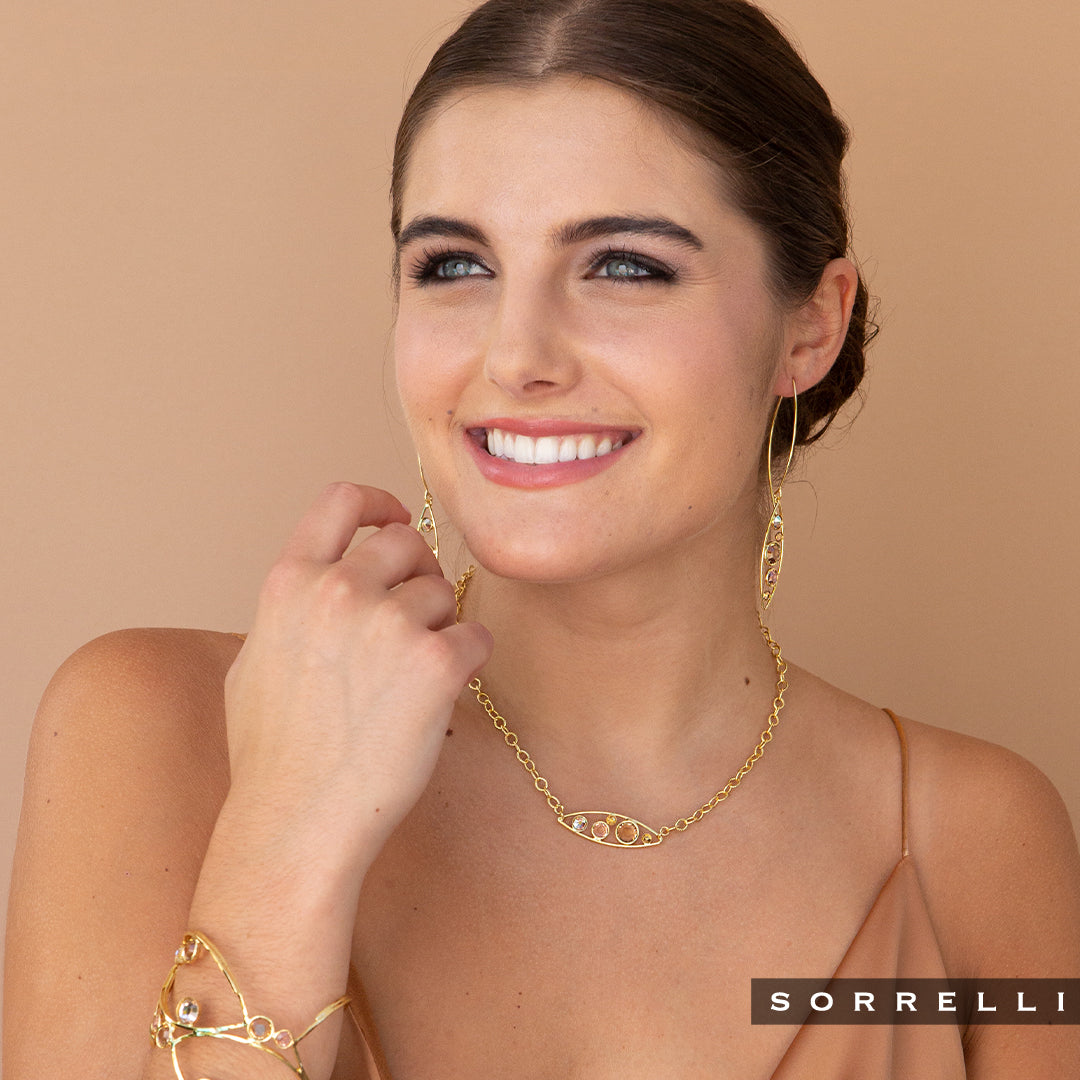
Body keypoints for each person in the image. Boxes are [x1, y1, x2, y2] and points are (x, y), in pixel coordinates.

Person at [6, 0, 1080, 1076]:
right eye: (454, 266)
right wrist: (285, 842)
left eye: (625, 266)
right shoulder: (155, 732)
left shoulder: (975, 842)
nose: (516, 355)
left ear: (813, 326)